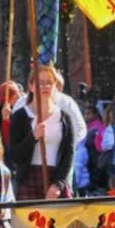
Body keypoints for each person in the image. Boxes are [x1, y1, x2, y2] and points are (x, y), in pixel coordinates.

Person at [9, 64, 75, 200]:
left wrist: (58, 184)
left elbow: (69, 153)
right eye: (41, 83)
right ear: (31, 86)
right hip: (30, 179)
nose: (45, 87)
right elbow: (15, 156)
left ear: (55, 86)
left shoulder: (64, 118)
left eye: (49, 83)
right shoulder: (20, 116)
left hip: (56, 178)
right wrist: (33, 136)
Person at [0, 81, 24, 169]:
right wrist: (6, 120)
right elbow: (4, 138)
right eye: (15, 95)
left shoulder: (20, 111)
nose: (19, 97)